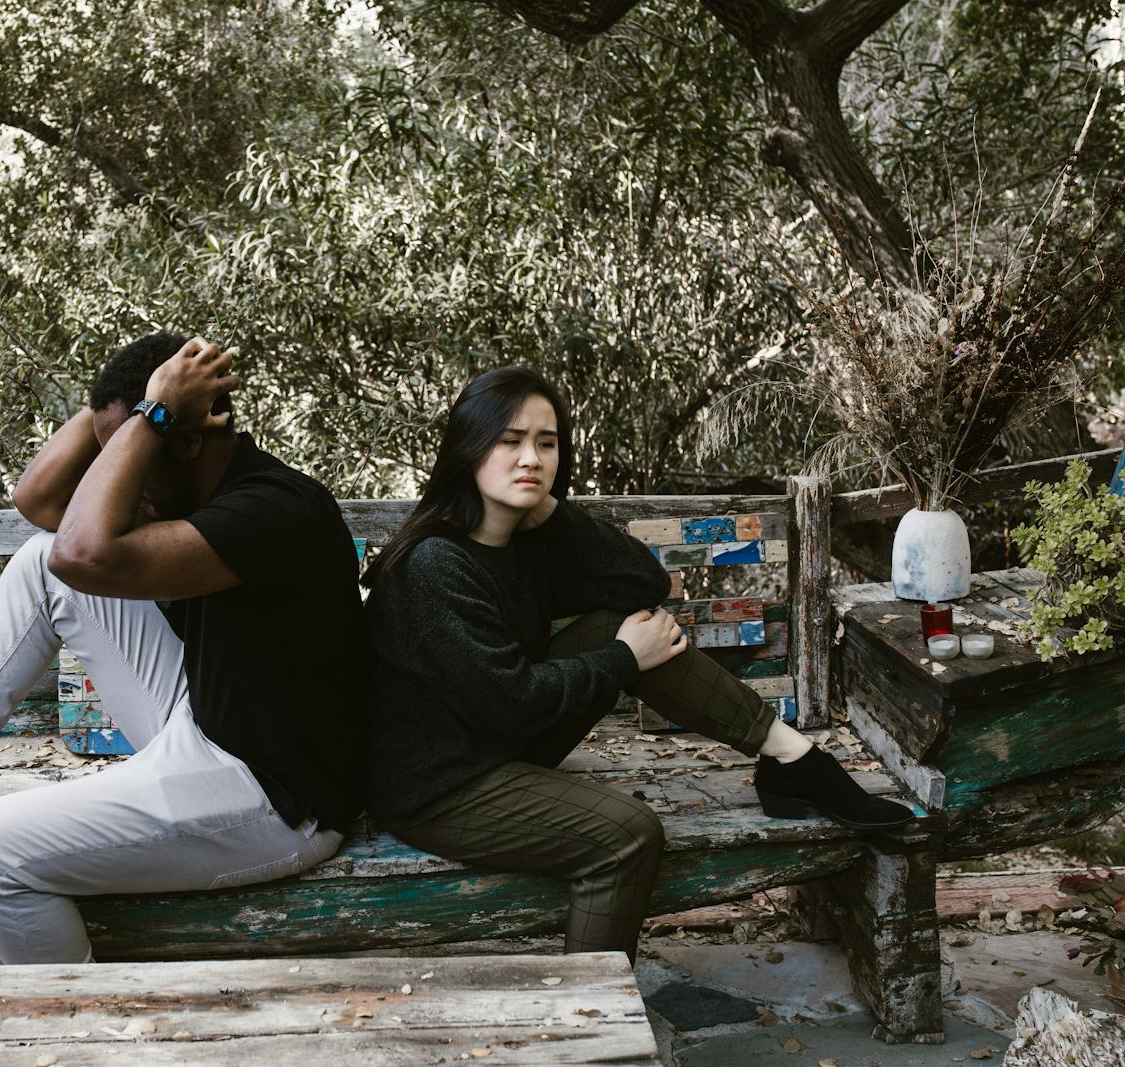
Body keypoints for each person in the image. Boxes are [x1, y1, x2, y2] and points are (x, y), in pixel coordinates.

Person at [0, 334, 367, 964]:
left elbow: (83, 551)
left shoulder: (276, 508)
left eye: (134, 449)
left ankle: (77, 1024)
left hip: (273, 800)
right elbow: (37, 503)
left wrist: (155, 413)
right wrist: (148, 403)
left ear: (189, 440)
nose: (120, 474)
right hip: (208, 718)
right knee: (41, 562)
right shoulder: (191, 483)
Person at [361, 366, 913, 962]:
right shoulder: (436, 565)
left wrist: (555, 514)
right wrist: (624, 658)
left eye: (547, 444)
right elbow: (509, 699)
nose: (531, 458)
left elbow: (642, 583)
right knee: (627, 834)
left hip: (495, 744)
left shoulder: (522, 545)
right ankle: (593, 1018)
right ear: (469, 447)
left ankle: (792, 757)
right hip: (440, 787)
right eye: (510, 440)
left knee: (621, 625)